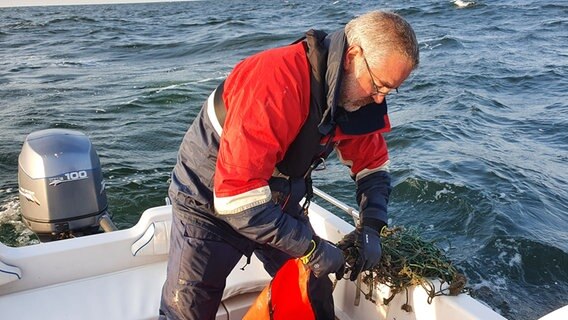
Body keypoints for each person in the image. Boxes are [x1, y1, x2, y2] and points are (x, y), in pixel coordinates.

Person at [160, 10, 419, 320]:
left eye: (391, 90)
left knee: (315, 286)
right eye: (379, 86)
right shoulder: (274, 81)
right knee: (187, 311)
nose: (380, 99)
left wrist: (372, 226)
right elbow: (236, 199)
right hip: (210, 203)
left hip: (276, 198)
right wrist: (311, 247)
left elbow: (373, 167)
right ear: (352, 55)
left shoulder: (355, 94)